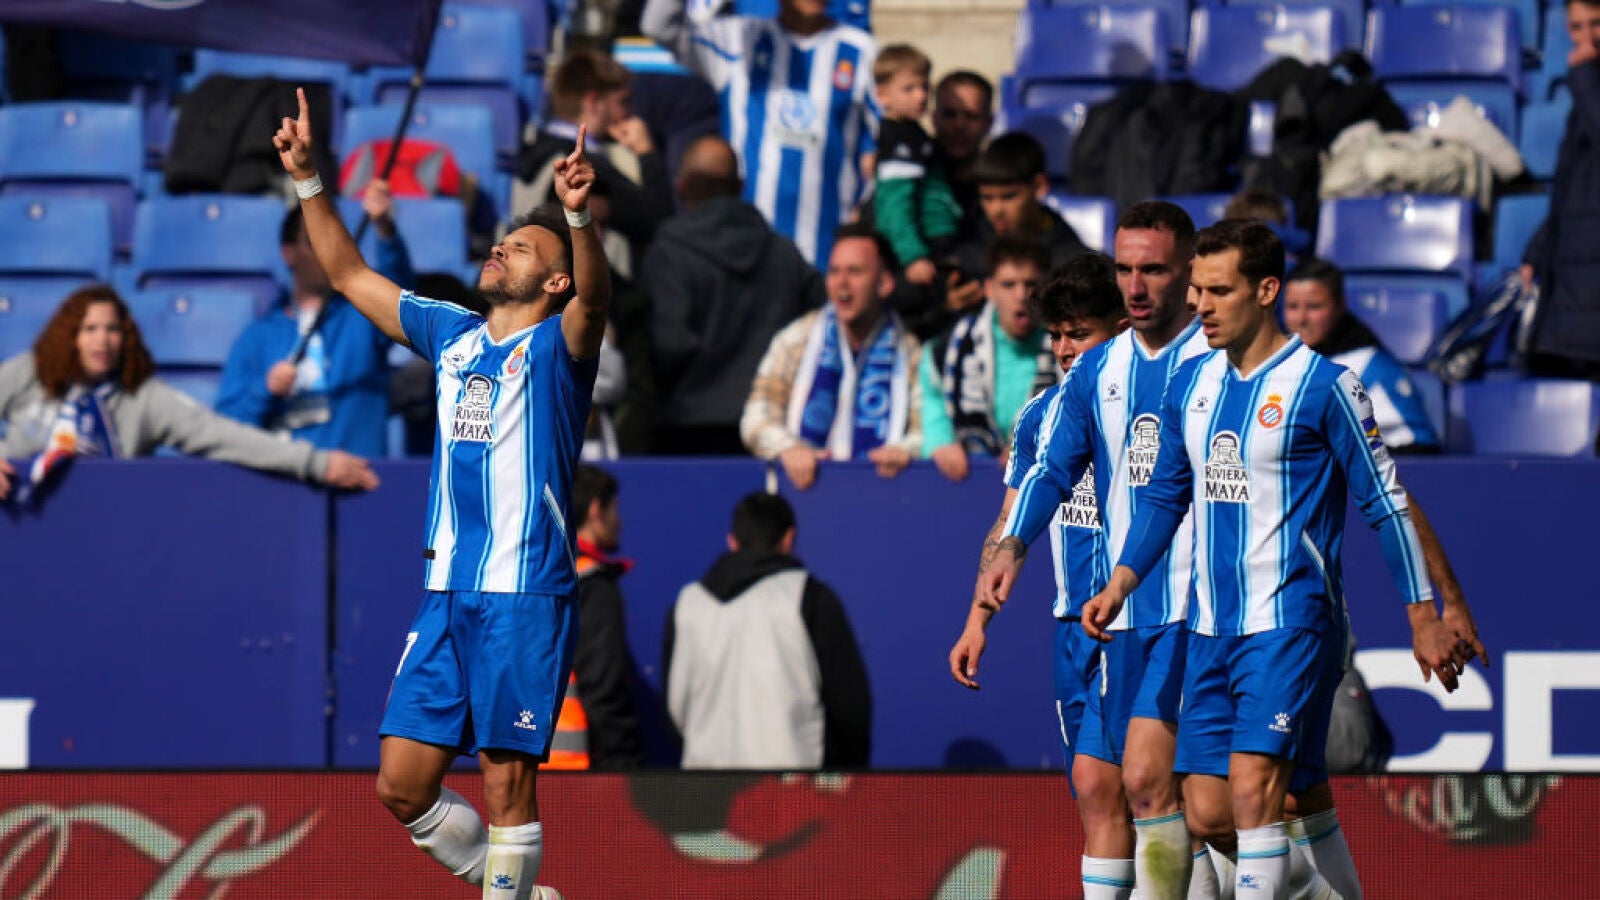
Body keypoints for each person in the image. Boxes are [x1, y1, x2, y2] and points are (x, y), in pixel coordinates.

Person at [1001, 220, 1484, 899]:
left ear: (1265, 290)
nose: (1201, 304)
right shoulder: (1192, 384)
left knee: (1254, 791)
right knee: (1210, 812)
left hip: (1290, 621)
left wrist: (1428, 611)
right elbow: (1164, 495)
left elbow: (1387, 499)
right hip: (1208, 627)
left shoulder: (1324, 385)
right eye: (1197, 290)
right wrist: (1120, 581)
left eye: (1217, 290)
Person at [272, 88, 609, 900]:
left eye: (520, 249)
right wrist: (309, 179)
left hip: (523, 591)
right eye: (501, 241)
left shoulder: (559, 349)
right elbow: (348, 273)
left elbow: (596, 299)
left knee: (505, 785)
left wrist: (576, 216)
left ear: (554, 279)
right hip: (447, 590)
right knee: (401, 784)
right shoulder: (452, 333)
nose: (499, 250)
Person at [980, 201, 1217, 899]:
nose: (1136, 286)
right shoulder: (1096, 373)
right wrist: (1012, 546)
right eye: (1124, 269)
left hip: (1203, 611)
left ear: (1188, 272)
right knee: (1132, 790)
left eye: (1154, 270)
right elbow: (1051, 470)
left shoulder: (1219, 363)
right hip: (1123, 613)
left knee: (1189, 797)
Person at [947, 252, 1131, 898]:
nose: (1063, 348)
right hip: (1071, 629)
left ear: (1120, 329)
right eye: (1055, 335)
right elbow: (1009, 522)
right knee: (1094, 791)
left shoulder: (1158, 409)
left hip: (1142, 624)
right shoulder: (1039, 415)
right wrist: (977, 620)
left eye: (1079, 333)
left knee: (1149, 792)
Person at [0, 284, 378, 502]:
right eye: (90, 329)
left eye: (112, 329)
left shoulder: (143, 398)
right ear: (68, 336)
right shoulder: (29, 372)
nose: (103, 340)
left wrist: (314, 463)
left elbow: (222, 435)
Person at [642, 0, 879, 267]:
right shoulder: (738, 40)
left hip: (827, 249)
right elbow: (659, 26)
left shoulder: (861, 52)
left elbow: (889, 141)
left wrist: (865, 211)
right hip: (745, 252)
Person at [645, 135, 825, 456]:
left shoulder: (667, 254)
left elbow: (668, 345)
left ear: (681, 187)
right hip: (771, 432)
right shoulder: (785, 253)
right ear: (740, 187)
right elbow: (825, 322)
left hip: (686, 433)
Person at [663, 491, 870, 768]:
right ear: (789, 539)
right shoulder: (809, 598)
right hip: (793, 786)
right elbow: (849, 707)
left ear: (732, 542)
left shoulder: (687, 605)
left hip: (707, 786)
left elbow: (675, 707)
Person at [215, 181, 415, 457]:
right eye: (314, 241)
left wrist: (385, 230)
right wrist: (265, 389)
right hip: (289, 480)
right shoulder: (256, 338)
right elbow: (224, 427)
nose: (328, 250)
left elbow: (400, 304)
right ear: (288, 253)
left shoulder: (363, 317)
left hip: (361, 478)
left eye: (337, 239)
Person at [741, 224, 922, 490]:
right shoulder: (796, 339)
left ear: (884, 284)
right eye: (834, 271)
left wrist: (905, 451)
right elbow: (756, 417)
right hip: (803, 495)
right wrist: (788, 448)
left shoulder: (911, 352)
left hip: (884, 493)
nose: (841, 283)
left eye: (855, 272)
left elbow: (927, 429)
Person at [514, 47, 674, 278]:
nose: (629, 113)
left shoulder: (530, 151)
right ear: (594, 101)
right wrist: (646, 152)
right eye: (623, 102)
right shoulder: (584, 169)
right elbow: (659, 222)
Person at [921, 237, 1055, 482]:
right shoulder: (948, 349)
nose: (1021, 295)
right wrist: (940, 441)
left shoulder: (1069, 349)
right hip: (968, 485)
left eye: (1031, 284)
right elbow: (933, 396)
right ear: (989, 288)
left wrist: (1038, 446)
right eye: (1008, 284)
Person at [544, 464, 647, 770]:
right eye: (614, 508)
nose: (620, 522)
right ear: (595, 510)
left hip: (527, 766)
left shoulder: (537, 580)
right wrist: (625, 762)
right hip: (581, 772)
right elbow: (603, 686)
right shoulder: (594, 585)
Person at [1284, 259, 1440, 453]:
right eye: (1292, 306)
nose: (1301, 318)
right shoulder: (1281, 362)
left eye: (1314, 306)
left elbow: (1422, 449)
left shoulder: (1372, 366)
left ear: (1340, 305)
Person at [1520, 0, 1600, 380]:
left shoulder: (1586, 85)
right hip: (1572, 280)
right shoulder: (1586, 89)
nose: (1586, 37)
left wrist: (1583, 79)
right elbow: (1572, 182)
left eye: (1596, 23)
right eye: (1576, 26)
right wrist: (1539, 249)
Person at [948, 133, 1088, 317]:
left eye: (1008, 196)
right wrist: (947, 309)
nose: (996, 210)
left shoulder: (1071, 264)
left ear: (1039, 186)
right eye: (987, 198)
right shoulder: (966, 250)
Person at [871, 44, 963, 289]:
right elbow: (895, 203)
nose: (921, 96)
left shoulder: (912, 132)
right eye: (908, 89)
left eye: (924, 87)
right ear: (882, 95)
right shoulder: (898, 140)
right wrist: (912, 256)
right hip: (924, 245)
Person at [930, 70, 996, 235]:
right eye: (950, 114)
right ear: (934, 118)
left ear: (989, 123)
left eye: (971, 116)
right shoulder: (911, 174)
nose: (960, 125)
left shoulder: (1001, 183)